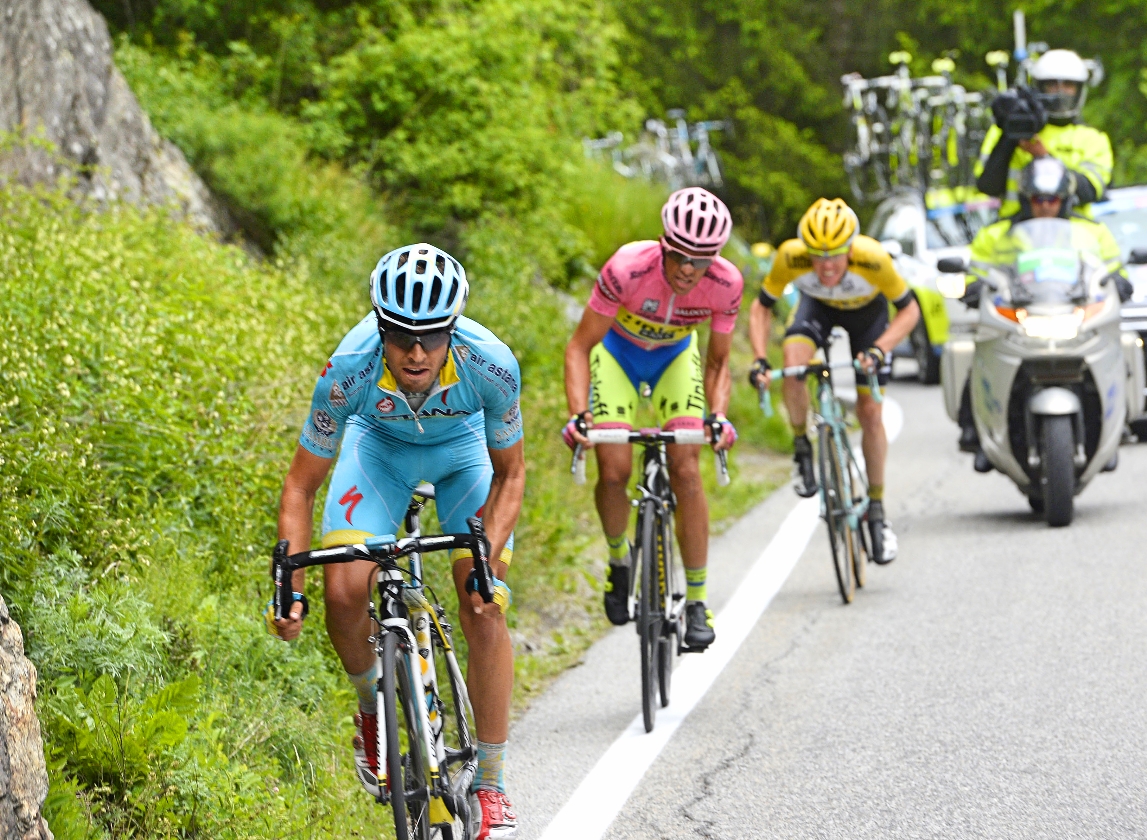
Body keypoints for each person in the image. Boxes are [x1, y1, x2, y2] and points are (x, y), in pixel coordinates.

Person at [271, 245, 524, 840]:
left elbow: (511, 474)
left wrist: (487, 561)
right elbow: (300, 486)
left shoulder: (491, 364)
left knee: (483, 606)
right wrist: (290, 590)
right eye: (401, 336)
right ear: (379, 327)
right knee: (342, 593)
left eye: (432, 337)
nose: (416, 353)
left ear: (453, 328)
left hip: (463, 455)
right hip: (378, 454)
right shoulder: (347, 370)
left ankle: (490, 783)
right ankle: (372, 708)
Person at [562, 187, 742, 649]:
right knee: (614, 469)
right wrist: (579, 415)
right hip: (617, 356)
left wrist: (718, 417)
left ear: (715, 259)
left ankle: (697, 601)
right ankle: (619, 560)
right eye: (679, 255)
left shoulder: (726, 284)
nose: (687, 269)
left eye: (701, 260)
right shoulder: (626, 268)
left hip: (674, 360)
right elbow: (580, 347)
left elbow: (719, 362)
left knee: (687, 469)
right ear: (663, 244)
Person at [747, 198, 920, 564]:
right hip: (818, 309)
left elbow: (909, 310)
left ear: (851, 249)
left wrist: (880, 349)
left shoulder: (873, 259)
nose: (826, 266)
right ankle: (802, 447)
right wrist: (760, 358)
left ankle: (877, 511)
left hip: (868, 317)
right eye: (817, 256)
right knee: (793, 367)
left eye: (835, 256)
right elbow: (761, 307)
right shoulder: (790, 256)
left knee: (870, 412)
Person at [958, 158, 1127, 462]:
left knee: (1118, 349)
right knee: (981, 356)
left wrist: (1120, 282)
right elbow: (975, 276)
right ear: (1026, 199)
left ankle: (1119, 418)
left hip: (1071, 311)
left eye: (1052, 199)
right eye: (1038, 199)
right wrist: (973, 287)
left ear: (1064, 200)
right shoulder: (996, 235)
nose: (1045, 206)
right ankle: (975, 430)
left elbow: (1115, 272)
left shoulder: (1092, 232)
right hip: (1022, 314)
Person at [976, 49, 1113, 218]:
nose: (1060, 93)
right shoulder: (1007, 130)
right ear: (1039, 87)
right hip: (1015, 229)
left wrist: (1044, 157)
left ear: (1080, 90)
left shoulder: (1092, 139)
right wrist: (1009, 136)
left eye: (1068, 85)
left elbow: (1091, 191)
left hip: (1073, 229)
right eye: (1052, 85)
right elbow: (987, 186)